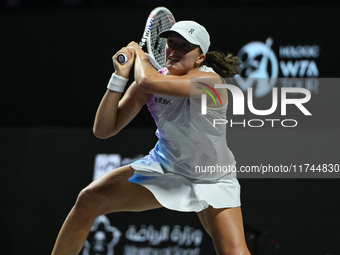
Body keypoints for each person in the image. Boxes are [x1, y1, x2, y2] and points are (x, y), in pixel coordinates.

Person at [51, 20, 251, 255]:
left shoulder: (210, 82)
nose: (174, 49)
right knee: (88, 200)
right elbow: (103, 130)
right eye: (171, 43)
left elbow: (148, 80)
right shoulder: (149, 81)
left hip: (212, 178)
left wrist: (139, 55)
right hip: (165, 167)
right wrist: (119, 77)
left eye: (185, 46)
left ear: (200, 58)